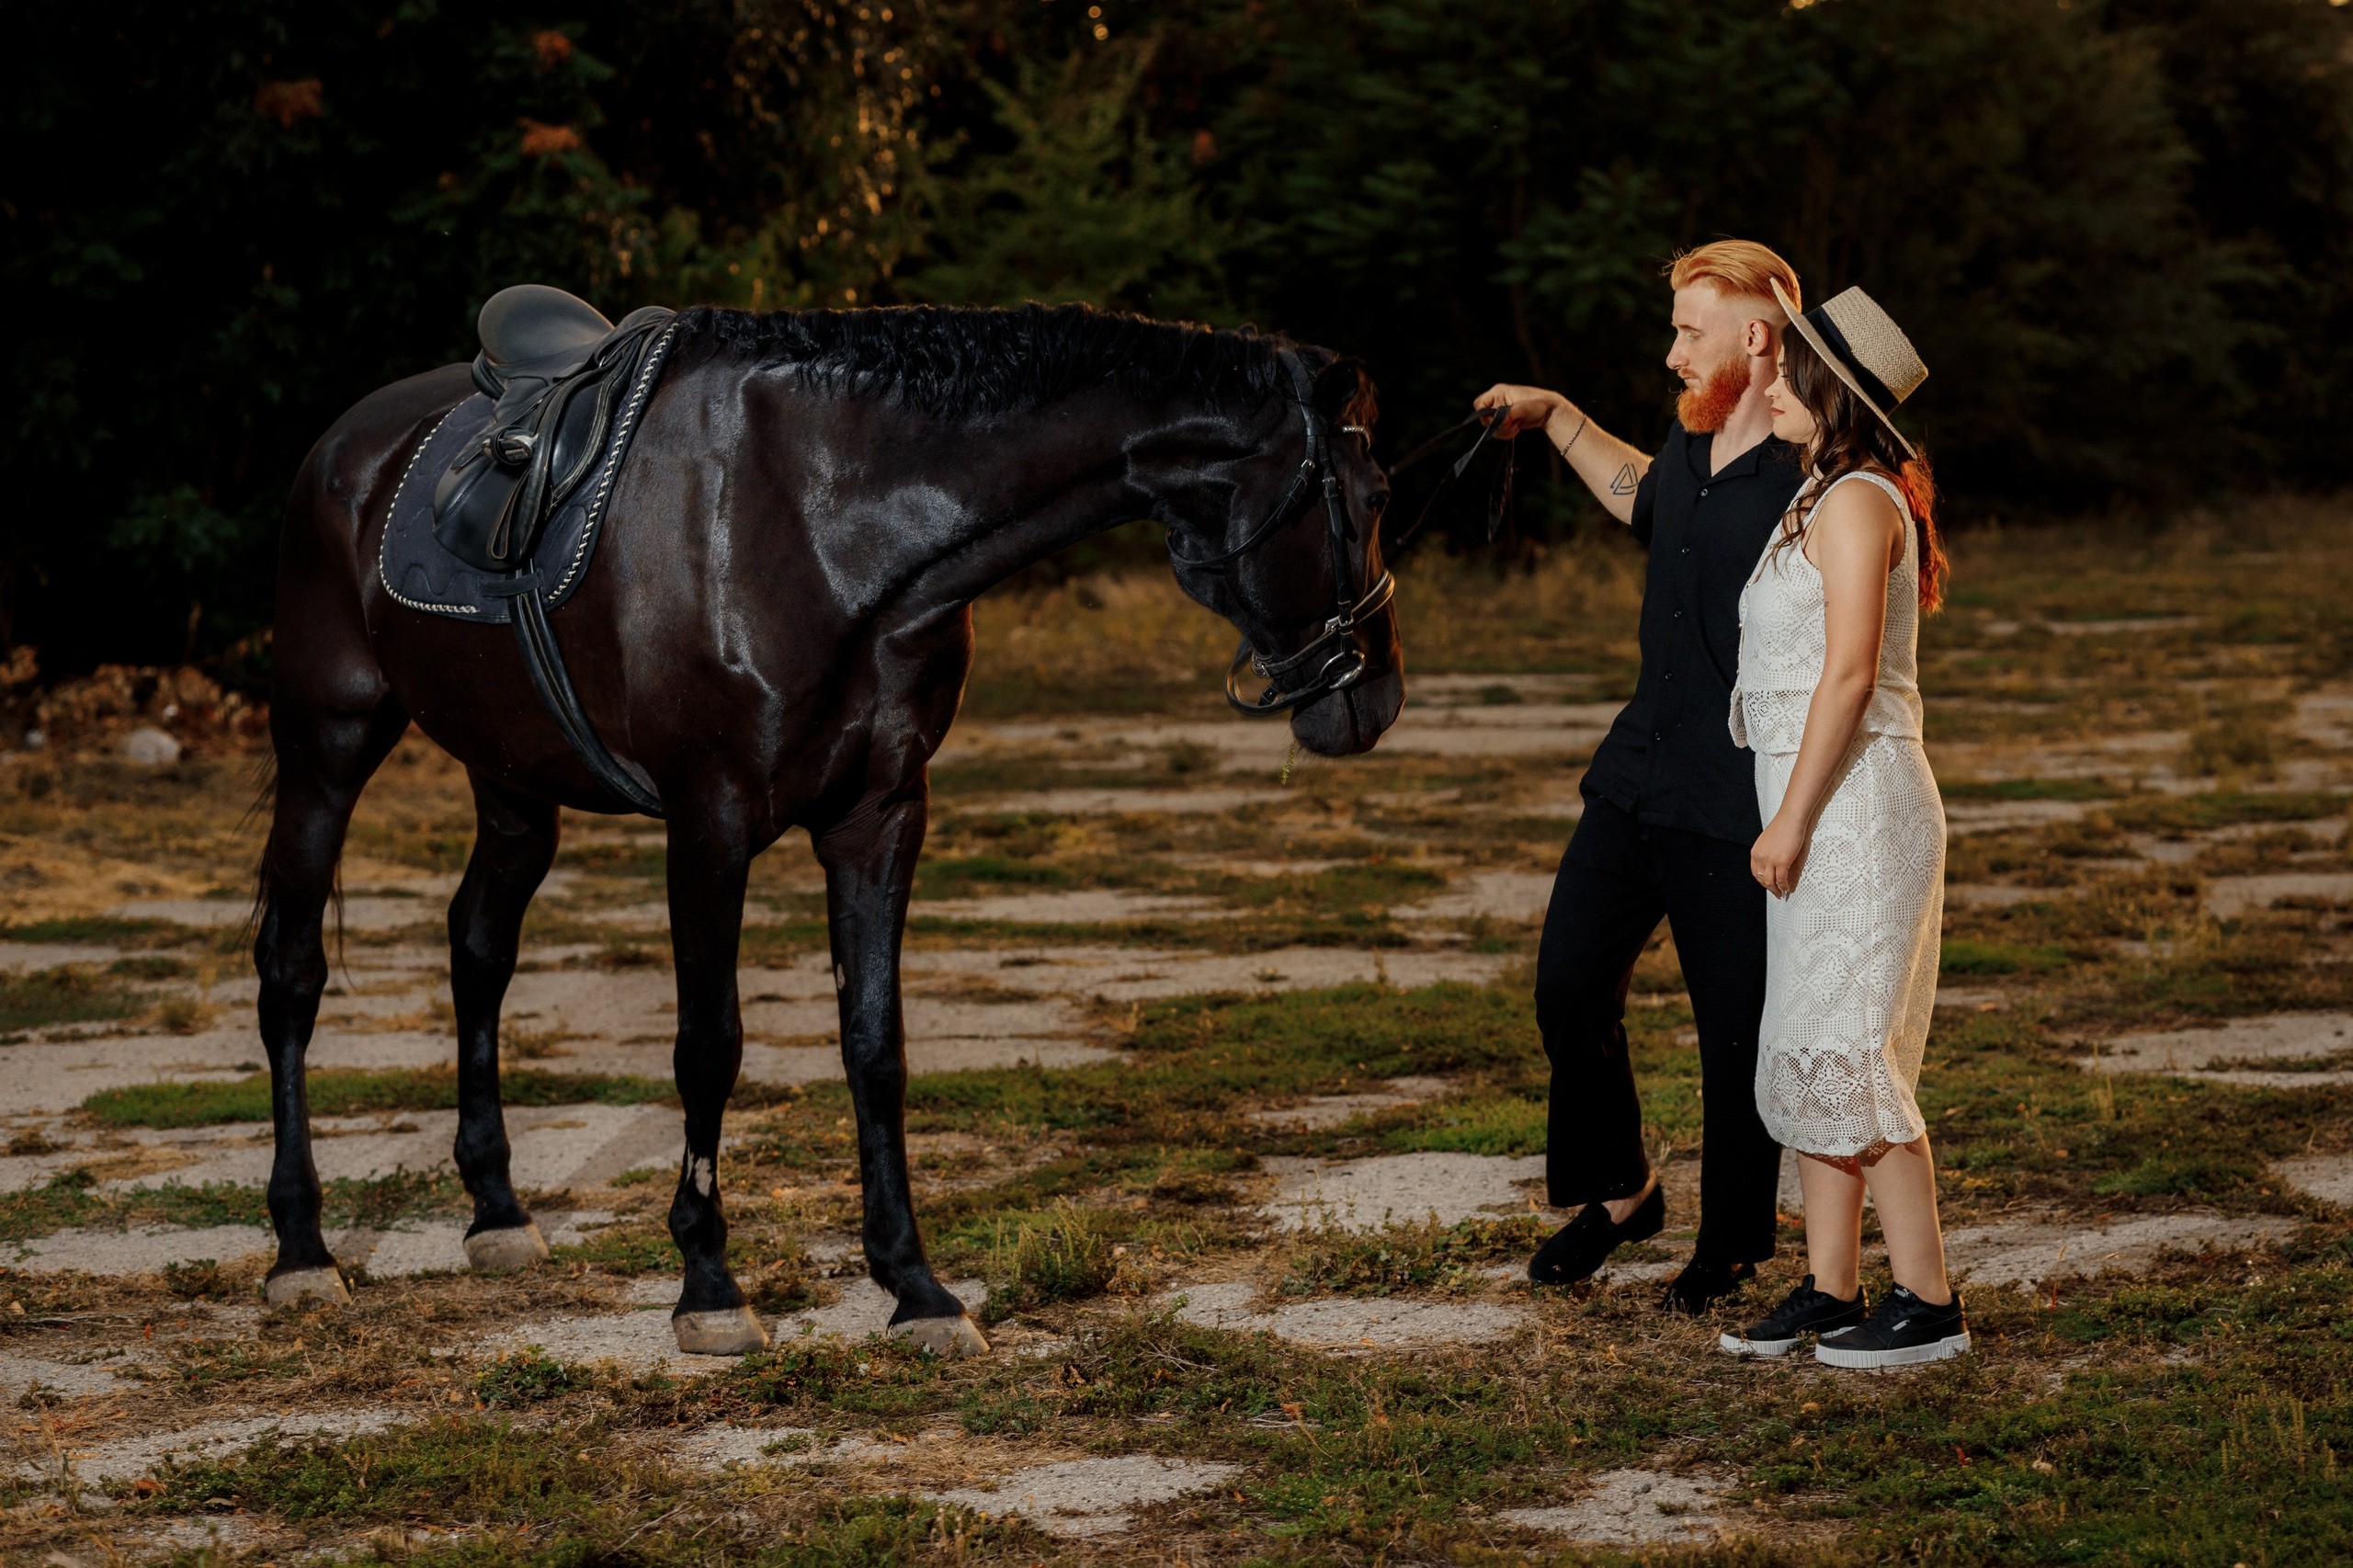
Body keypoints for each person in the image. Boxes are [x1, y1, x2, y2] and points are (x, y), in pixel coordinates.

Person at [1474, 241, 1804, 1312]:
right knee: (1568, 981)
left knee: (1733, 1027)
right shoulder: (1695, 438)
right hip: (1636, 770)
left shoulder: (1810, 479)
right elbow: (1644, 498)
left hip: (1734, 790)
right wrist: (1557, 412)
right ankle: (1621, 1191)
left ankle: (1733, 1242)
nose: (1670, 351)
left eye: (1686, 330)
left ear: (1754, 339)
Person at [1716, 281, 1967, 1367]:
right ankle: (1829, 1285)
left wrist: (1793, 820)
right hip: (1809, 800)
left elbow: (1851, 672)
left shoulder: (1862, 497)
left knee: (1857, 1049)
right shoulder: (1814, 493)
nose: (1763, 376)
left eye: (1783, 365)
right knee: (1805, 1039)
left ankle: (1928, 1301)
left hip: (1856, 805)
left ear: (1826, 385)